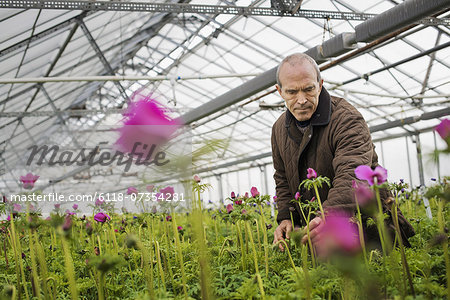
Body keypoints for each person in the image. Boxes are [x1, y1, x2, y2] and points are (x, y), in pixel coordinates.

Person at [271, 53, 414, 252]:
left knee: (377, 277)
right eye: (292, 92)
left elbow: (352, 174)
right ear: (280, 91)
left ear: (320, 84)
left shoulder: (347, 119)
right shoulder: (279, 129)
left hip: (369, 230)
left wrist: (327, 217)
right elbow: (283, 178)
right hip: (320, 236)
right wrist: (286, 216)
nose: (301, 100)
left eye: (309, 89)